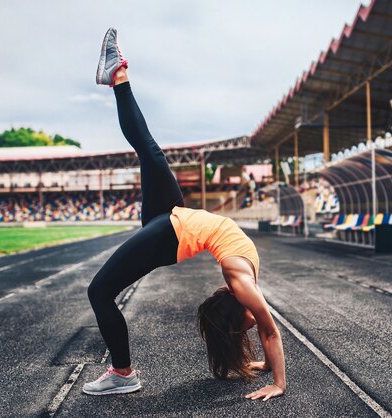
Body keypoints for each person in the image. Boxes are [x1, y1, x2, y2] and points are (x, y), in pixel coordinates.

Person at [83, 28, 286, 402]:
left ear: (235, 300)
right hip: (174, 218)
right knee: (150, 152)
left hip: (173, 233)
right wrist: (271, 373)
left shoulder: (241, 281)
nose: (255, 324)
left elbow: (270, 333)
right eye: (249, 327)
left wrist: (278, 384)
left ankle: (122, 374)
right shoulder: (245, 283)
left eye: (245, 326)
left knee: (99, 292)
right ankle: (117, 75)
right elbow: (268, 331)